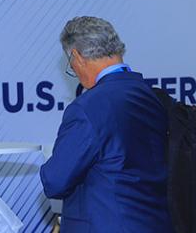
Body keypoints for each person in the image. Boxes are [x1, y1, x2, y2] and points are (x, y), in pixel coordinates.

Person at [40, 16, 173, 232]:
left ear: (77, 56)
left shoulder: (88, 107)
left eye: (71, 65)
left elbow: (55, 181)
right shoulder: (153, 97)